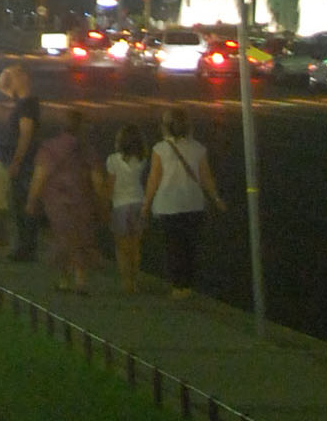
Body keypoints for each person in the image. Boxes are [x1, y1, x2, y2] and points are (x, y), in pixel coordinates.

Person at [143, 105, 225, 295]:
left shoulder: (160, 149)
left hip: (168, 204)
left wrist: (146, 204)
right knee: (190, 247)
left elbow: (154, 178)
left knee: (173, 246)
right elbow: (206, 178)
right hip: (193, 204)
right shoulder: (198, 149)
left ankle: (177, 286)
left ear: (166, 127)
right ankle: (187, 285)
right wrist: (216, 198)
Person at [27, 105, 98, 291]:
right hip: (82, 199)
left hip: (56, 200)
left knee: (61, 237)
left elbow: (40, 175)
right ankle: (80, 278)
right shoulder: (86, 149)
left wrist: (32, 200)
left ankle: (64, 278)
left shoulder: (49, 148)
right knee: (81, 237)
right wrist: (102, 200)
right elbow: (97, 178)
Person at [0, 63, 42, 261]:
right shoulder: (25, 103)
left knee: (23, 204)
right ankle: (25, 245)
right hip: (24, 160)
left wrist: (16, 161)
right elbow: (1, 86)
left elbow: (26, 134)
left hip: (24, 162)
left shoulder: (26, 106)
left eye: (13, 79)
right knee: (22, 204)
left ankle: (26, 247)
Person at [104, 121, 148, 294]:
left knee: (122, 248)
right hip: (138, 202)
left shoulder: (112, 160)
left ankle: (126, 282)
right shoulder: (142, 160)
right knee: (135, 247)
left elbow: (110, 185)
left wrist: (104, 202)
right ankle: (135, 280)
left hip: (120, 205)